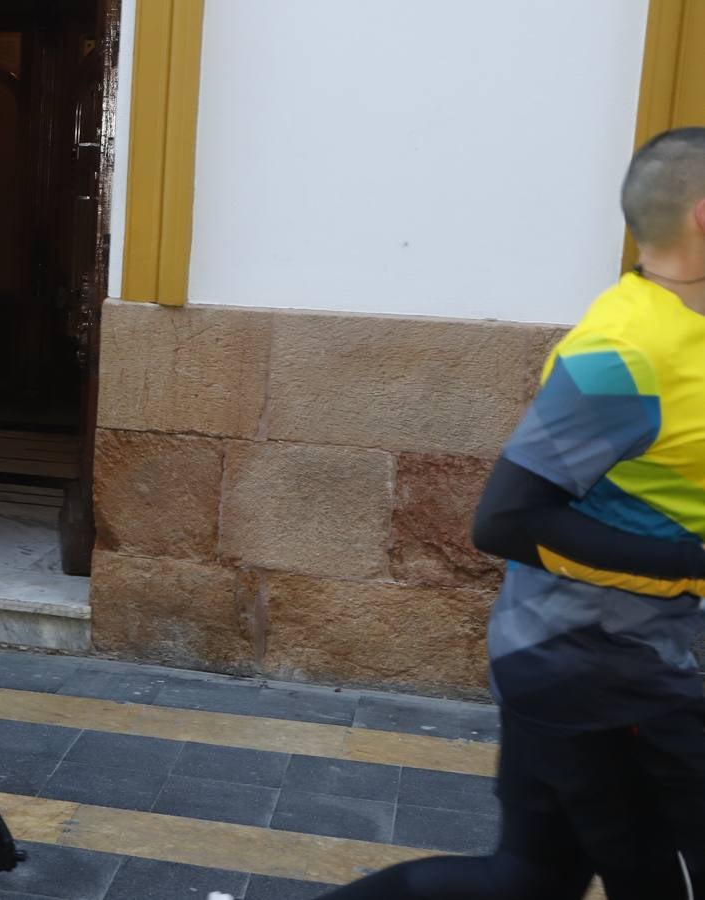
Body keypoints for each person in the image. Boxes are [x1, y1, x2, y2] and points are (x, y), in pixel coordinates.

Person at [295, 128, 705, 900]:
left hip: (595, 662)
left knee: (529, 882)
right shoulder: (623, 355)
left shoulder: (682, 330)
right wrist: (691, 565)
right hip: (595, 671)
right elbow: (506, 521)